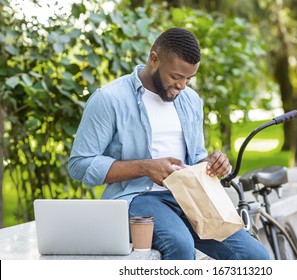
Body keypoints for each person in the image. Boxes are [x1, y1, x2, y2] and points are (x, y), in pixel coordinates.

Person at [68, 27, 270, 260]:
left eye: (188, 78)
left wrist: (211, 163)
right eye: (176, 76)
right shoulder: (109, 99)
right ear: (154, 59)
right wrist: (145, 167)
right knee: (180, 247)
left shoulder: (191, 100)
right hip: (138, 198)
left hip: (190, 196)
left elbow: (195, 159)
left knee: (255, 256)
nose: (183, 85)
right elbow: (80, 165)